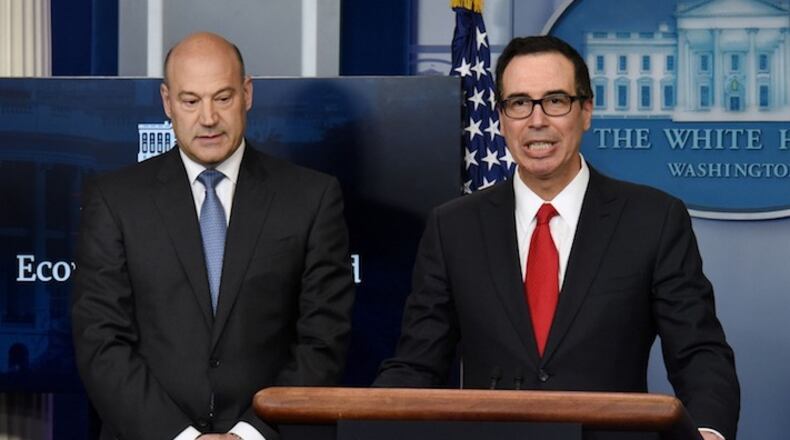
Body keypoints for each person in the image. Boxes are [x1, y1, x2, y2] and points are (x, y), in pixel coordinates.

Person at [375, 35, 739, 440]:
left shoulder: (653, 218)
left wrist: (708, 432)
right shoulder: (453, 226)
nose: (536, 121)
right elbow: (417, 363)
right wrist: (371, 422)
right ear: (501, 117)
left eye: (555, 101)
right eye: (519, 103)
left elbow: (698, 354)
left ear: (586, 110)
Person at [72, 32, 355, 440]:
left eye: (222, 98)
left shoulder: (312, 198)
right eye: (190, 101)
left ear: (247, 94)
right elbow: (100, 340)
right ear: (168, 102)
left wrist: (249, 434)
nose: (207, 118)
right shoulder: (115, 200)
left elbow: (323, 338)